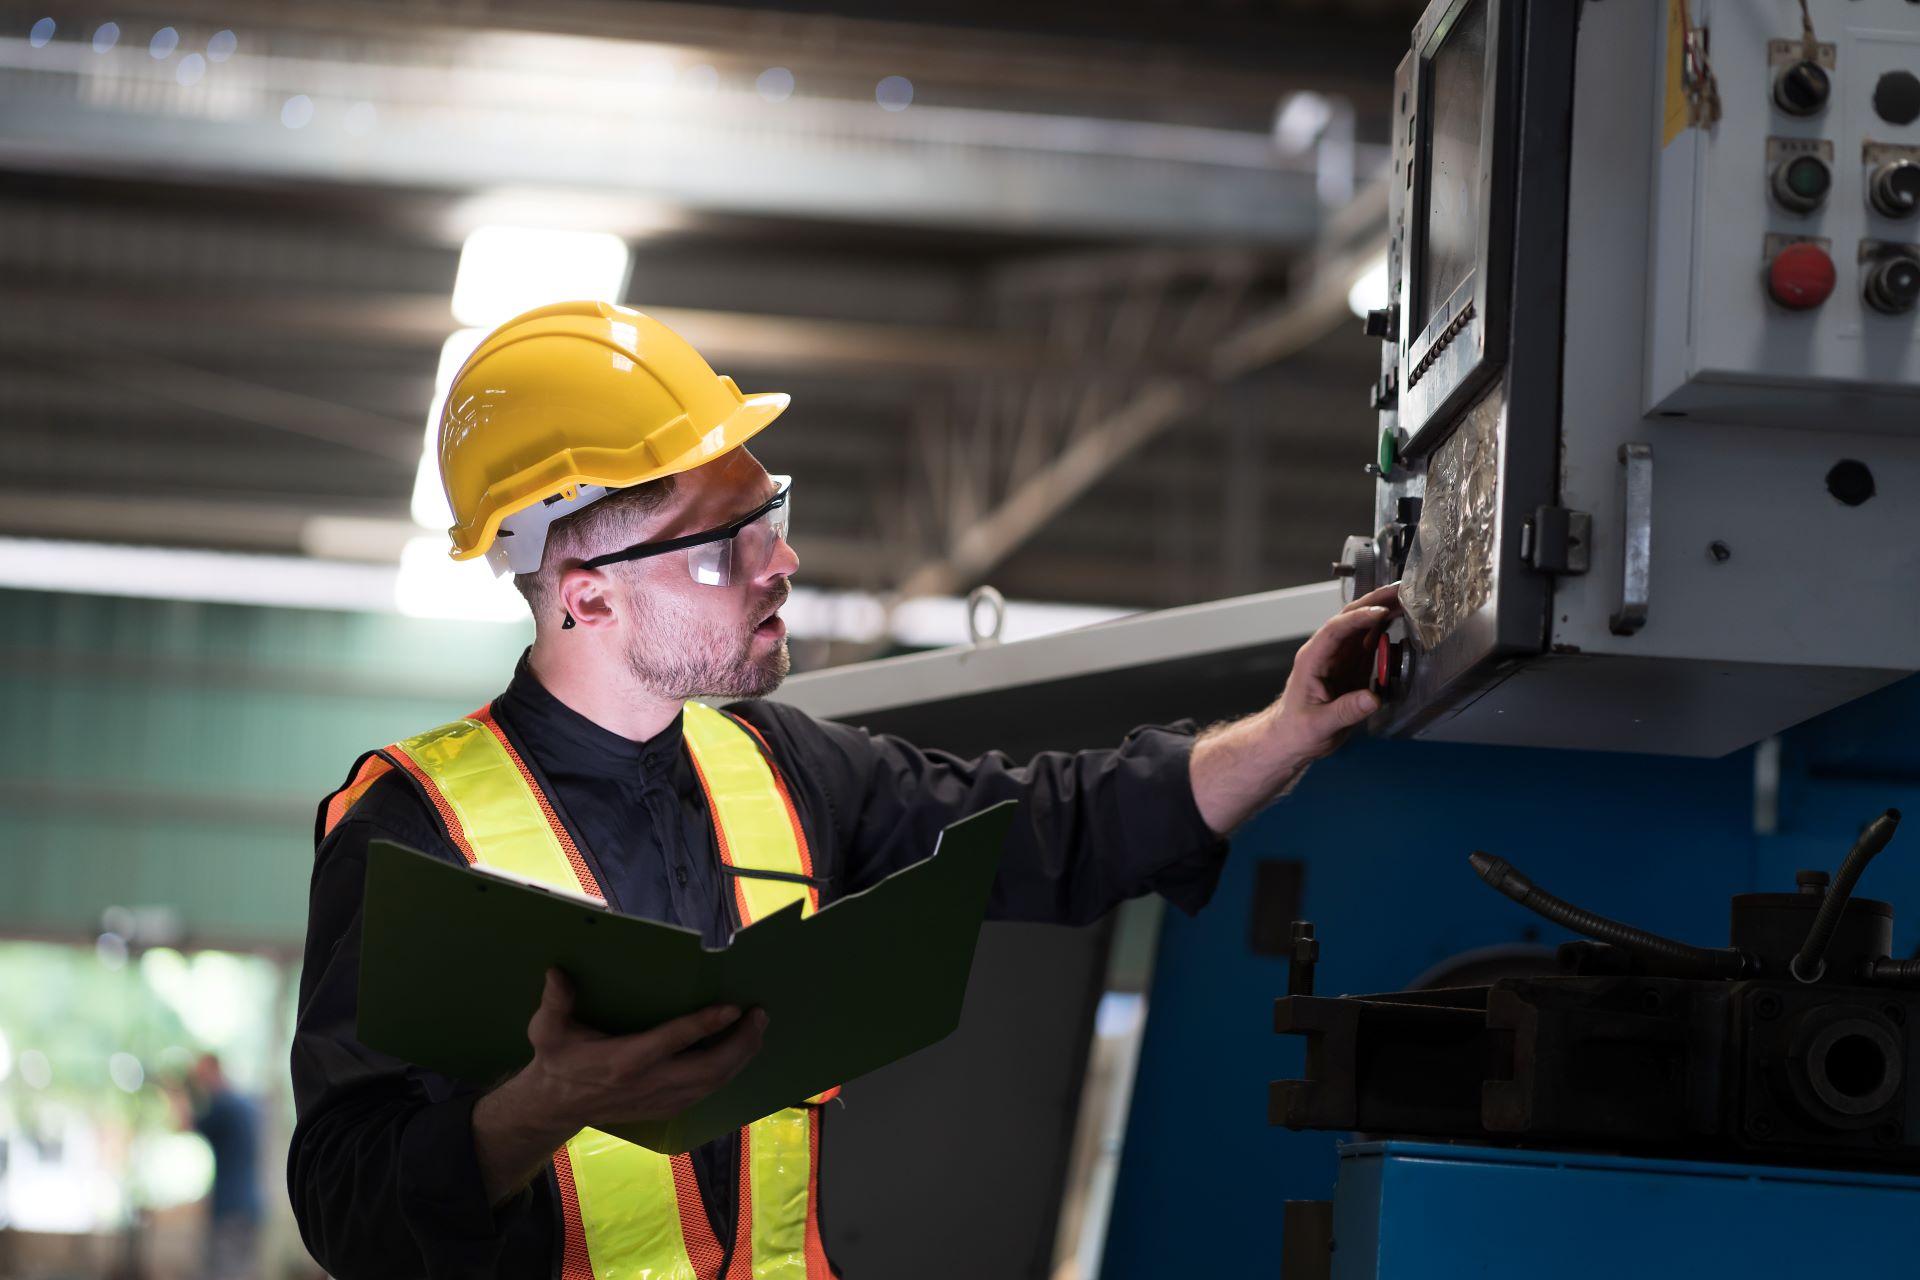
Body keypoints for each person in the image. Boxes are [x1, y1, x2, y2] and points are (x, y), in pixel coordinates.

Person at [288, 301, 1401, 1279]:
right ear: (587, 599)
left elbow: (1057, 827)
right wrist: (542, 1105)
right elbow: (350, 1208)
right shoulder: (415, 827)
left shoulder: (782, 767)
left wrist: (1286, 731)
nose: (782, 561)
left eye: (768, 511)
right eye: (725, 547)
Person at [175, 1053, 265, 1279]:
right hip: (248, 1208)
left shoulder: (223, 1106)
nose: (200, 1083)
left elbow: (185, 1124)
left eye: (201, 1076)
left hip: (230, 1212)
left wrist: (179, 1092)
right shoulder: (242, 1103)